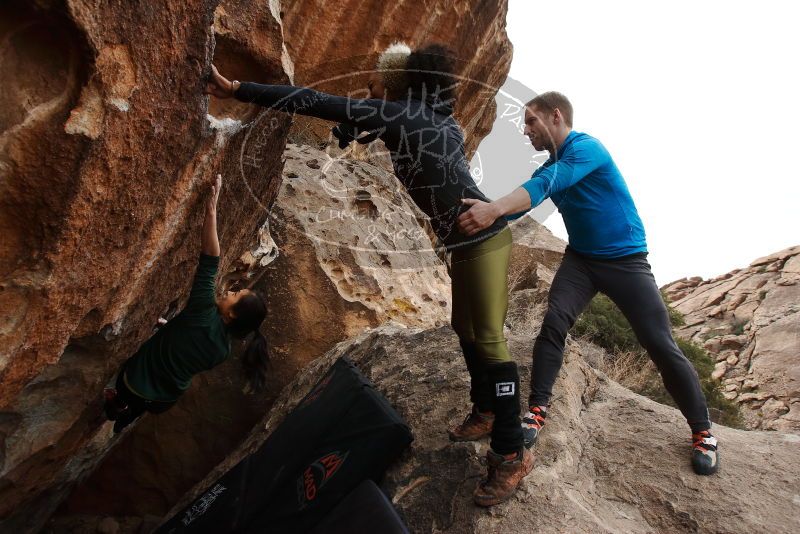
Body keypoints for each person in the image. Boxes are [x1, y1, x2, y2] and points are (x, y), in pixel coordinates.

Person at [206, 43, 532, 505]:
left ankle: (511, 451)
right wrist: (358, 128)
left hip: (484, 237)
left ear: (394, 84)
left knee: (488, 338)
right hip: (465, 241)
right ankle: (486, 407)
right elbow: (397, 130)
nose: (366, 89)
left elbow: (316, 101)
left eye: (373, 83)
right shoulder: (432, 119)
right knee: (464, 329)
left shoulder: (406, 117)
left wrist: (239, 89)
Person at [456, 91, 719, 476]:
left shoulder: (587, 150)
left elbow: (549, 182)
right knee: (553, 323)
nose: (526, 131)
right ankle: (537, 411)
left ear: (556, 116)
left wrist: (494, 208)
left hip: (625, 261)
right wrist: (478, 212)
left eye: (531, 121)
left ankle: (703, 432)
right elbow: (528, 198)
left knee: (659, 343)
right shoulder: (551, 166)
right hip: (581, 261)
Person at [103, 174, 270, 434]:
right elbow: (188, 344)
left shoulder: (203, 310)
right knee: (136, 406)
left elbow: (210, 259)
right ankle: (124, 417)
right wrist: (169, 327)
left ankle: (117, 404)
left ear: (231, 315)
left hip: (133, 382)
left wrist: (212, 210)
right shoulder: (222, 350)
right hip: (161, 400)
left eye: (235, 295)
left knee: (125, 396)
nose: (230, 292)